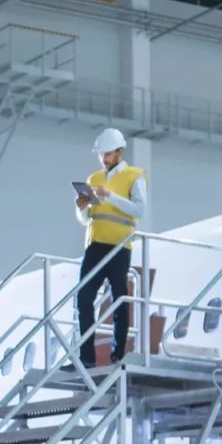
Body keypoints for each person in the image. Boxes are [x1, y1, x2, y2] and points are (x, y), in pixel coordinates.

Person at [66, 127, 147, 370]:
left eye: (108, 153)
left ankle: (118, 355)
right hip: (95, 246)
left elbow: (139, 210)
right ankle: (87, 357)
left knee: (119, 299)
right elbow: (86, 218)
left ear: (120, 152)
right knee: (84, 297)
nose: (103, 158)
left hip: (120, 247)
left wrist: (110, 196)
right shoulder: (93, 180)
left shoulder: (135, 175)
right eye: (101, 154)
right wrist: (80, 207)